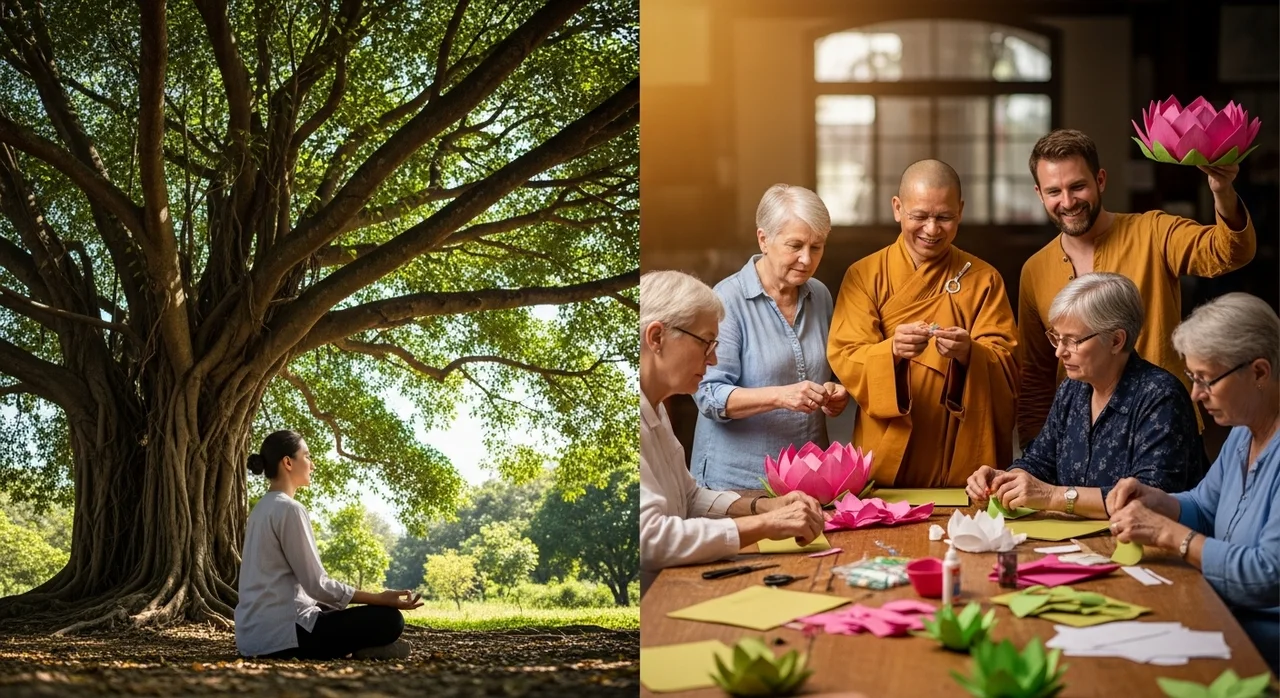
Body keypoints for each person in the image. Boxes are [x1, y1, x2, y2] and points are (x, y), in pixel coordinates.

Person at [1016, 128, 1256, 448]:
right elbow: (1035, 374)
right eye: (1054, 191)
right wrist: (1036, 449)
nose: (1068, 201)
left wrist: (1222, 190)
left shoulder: (1154, 231)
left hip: (1166, 430)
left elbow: (1230, 252)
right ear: (1039, 194)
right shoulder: (1034, 269)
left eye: (1078, 186)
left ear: (1100, 180)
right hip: (1081, 442)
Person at [1107, 293, 1279, 673]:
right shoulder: (1242, 431)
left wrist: (1171, 536)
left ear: (1260, 372)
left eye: (1206, 380)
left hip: (1261, 644)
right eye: (1193, 378)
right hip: (1222, 615)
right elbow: (1204, 506)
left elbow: (1267, 574)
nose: (1196, 394)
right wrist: (1156, 501)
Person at [827, 159, 1019, 488]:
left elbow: (1007, 364)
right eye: (920, 216)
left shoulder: (984, 279)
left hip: (961, 450)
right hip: (889, 445)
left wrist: (969, 353)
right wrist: (892, 352)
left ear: (960, 210)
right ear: (898, 208)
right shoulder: (864, 275)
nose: (931, 230)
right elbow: (846, 354)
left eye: (944, 217)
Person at [640, 270, 825, 596]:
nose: (712, 360)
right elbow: (651, 539)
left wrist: (765, 507)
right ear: (656, 338)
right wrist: (766, 525)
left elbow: (691, 498)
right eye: (705, 343)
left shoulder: (655, 408)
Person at [966, 273, 1202, 516]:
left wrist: (1052, 496)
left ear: (1116, 341)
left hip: (1149, 546)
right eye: (1056, 337)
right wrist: (1004, 480)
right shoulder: (1073, 389)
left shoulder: (1160, 396)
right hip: (1082, 544)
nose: (1059, 352)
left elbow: (1152, 495)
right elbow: (1040, 462)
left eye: (1072, 340)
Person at [691, 184, 850, 490]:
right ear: (763, 239)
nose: (806, 259)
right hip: (737, 482)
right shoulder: (726, 301)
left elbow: (817, 374)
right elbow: (709, 396)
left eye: (816, 247)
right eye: (795, 245)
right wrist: (780, 396)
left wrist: (832, 394)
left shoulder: (820, 295)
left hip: (808, 477)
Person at [235, 430, 422, 659]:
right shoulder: (290, 509)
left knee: (332, 611)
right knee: (390, 620)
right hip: (284, 637)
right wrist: (379, 598)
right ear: (287, 463)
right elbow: (317, 585)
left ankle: (362, 648)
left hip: (251, 637)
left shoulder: (260, 509)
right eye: (307, 456)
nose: (312, 465)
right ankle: (364, 649)